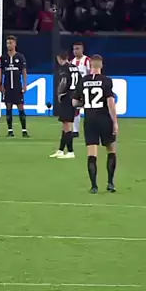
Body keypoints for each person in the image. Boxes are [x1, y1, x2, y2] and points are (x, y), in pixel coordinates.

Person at [73, 54, 118, 193]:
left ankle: (94, 186)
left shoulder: (83, 81)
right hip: (104, 119)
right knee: (111, 149)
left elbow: (74, 102)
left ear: (90, 65)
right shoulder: (106, 81)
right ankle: (110, 183)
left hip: (90, 119)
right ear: (101, 65)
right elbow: (110, 103)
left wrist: (85, 103)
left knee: (92, 153)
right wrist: (115, 122)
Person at [49, 50, 80, 159]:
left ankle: (71, 151)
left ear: (59, 58)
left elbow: (64, 81)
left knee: (67, 125)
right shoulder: (74, 67)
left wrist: (59, 93)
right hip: (73, 96)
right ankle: (61, 150)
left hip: (67, 97)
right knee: (65, 124)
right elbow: (80, 81)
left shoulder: (64, 68)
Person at [0, 35, 30, 138]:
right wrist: (0, 85)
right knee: (8, 107)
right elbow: (0, 72)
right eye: (7, 43)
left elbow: (24, 71)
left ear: (15, 44)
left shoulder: (20, 57)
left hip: (17, 86)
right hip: (7, 86)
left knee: (20, 107)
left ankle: (24, 130)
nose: (9, 45)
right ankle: (10, 130)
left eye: (11, 43)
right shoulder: (3, 58)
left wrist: (25, 85)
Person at [70, 41, 91, 138]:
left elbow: (91, 73)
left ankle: (90, 129)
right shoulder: (72, 62)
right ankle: (75, 130)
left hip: (86, 88)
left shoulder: (87, 60)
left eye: (77, 49)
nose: (75, 51)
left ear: (82, 49)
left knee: (89, 109)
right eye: (74, 49)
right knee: (75, 109)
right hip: (75, 89)